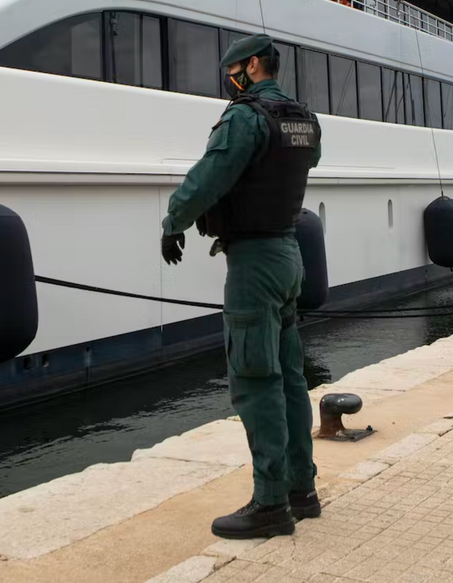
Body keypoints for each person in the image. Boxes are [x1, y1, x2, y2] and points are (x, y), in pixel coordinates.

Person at [160, 34, 322, 540]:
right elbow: (298, 167)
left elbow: (210, 177)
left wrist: (173, 221)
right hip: (291, 252)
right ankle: (303, 490)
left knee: (256, 381)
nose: (230, 82)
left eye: (234, 72)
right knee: (292, 379)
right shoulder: (304, 120)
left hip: (253, 262)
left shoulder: (245, 118)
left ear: (253, 66)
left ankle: (271, 503)